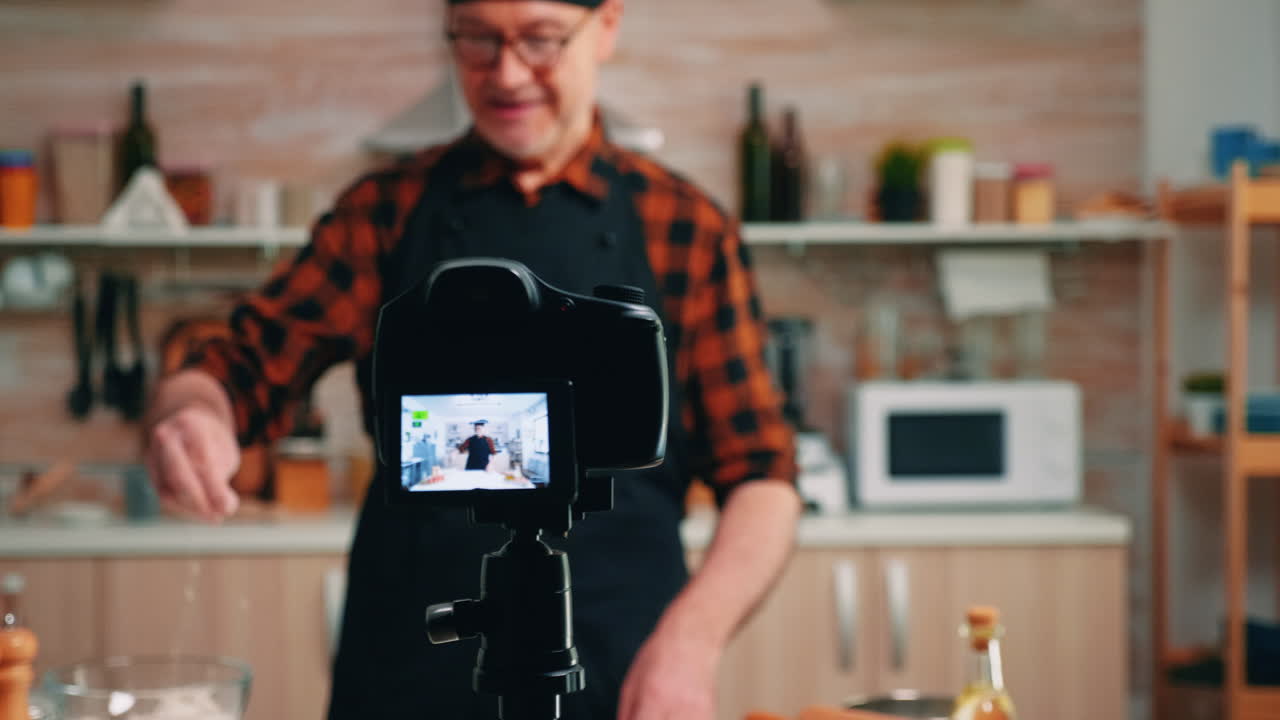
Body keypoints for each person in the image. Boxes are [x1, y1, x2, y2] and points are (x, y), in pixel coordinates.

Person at [142, 0, 799, 718]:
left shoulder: (687, 227)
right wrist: (193, 413)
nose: (506, 74)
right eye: (478, 40)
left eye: (540, 39)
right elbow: (240, 369)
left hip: (623, 670)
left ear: (605, 26)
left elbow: (762, 477)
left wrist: (690, 646)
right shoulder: (385, 210)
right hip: (407, 669)